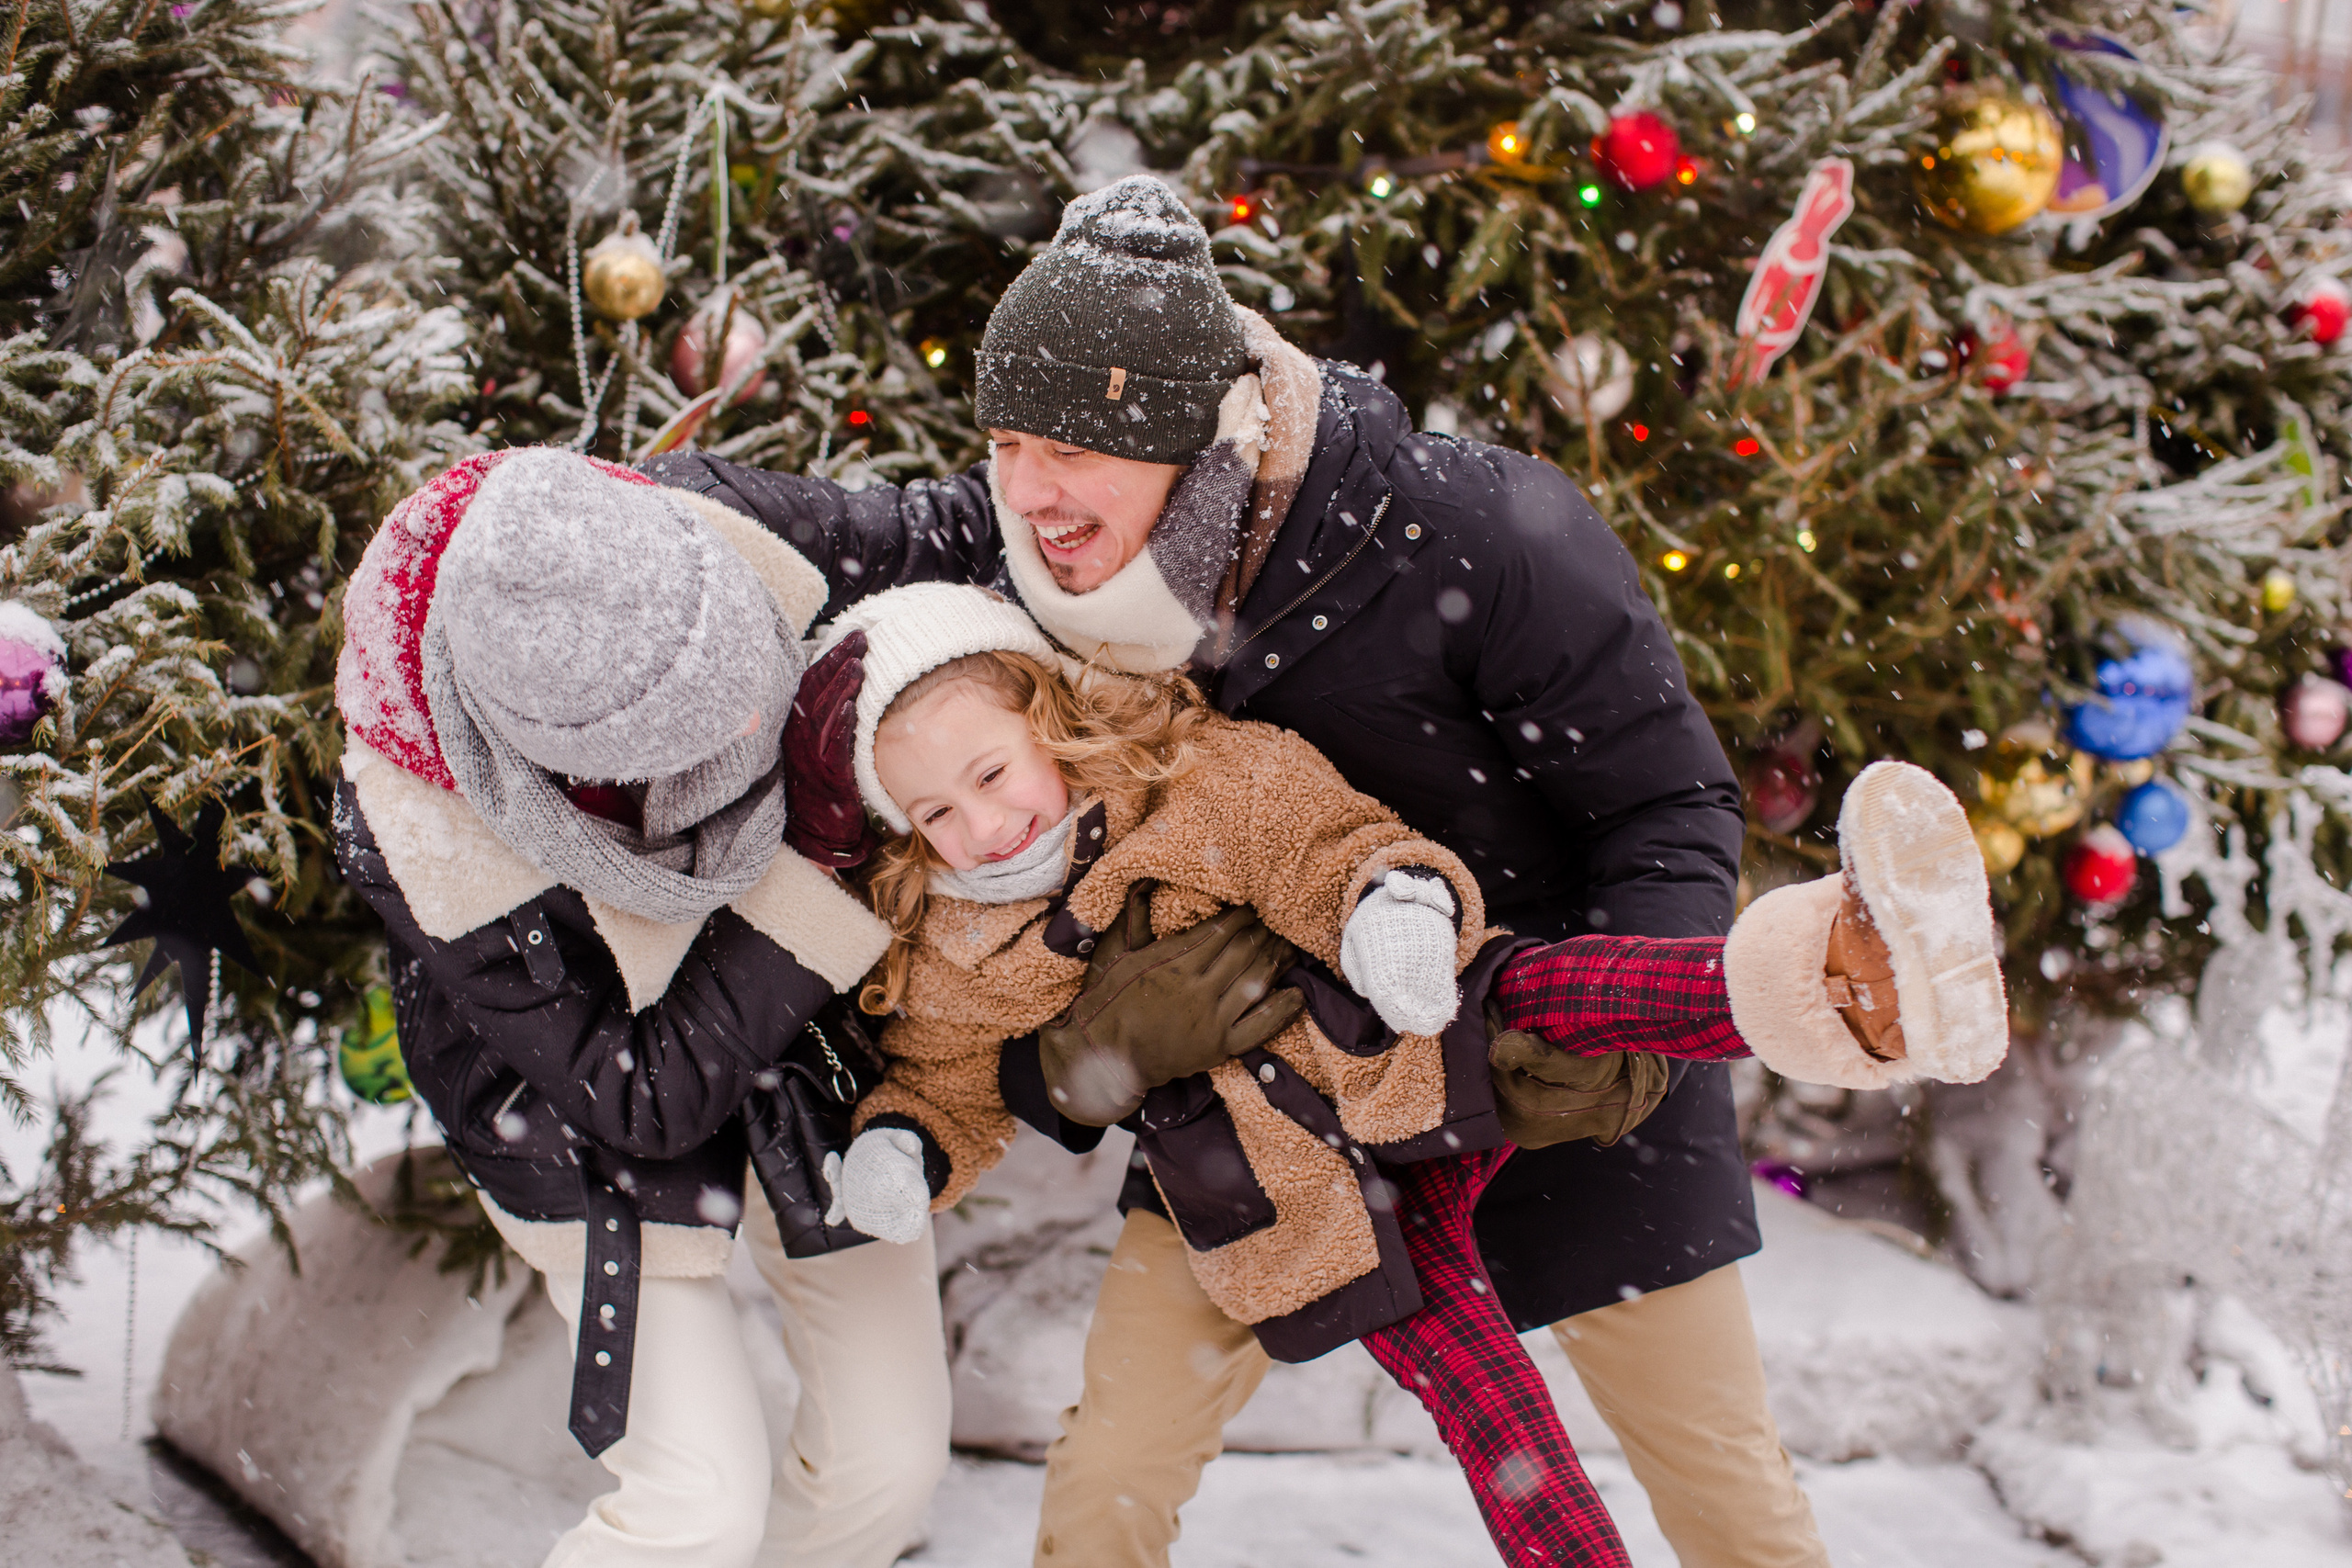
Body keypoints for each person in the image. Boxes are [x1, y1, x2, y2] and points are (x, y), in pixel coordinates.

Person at [652, 175, 2008, 1567]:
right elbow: (844, 536)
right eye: (1005, 441)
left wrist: (1627, 1061)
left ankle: (1848, 974)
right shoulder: (1041, 566)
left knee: (1723, 1488)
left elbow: (1667, 802)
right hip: (1249, 1109)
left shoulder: (1468, 531)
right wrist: (600, 512)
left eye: (1069, 445)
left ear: (1189, 434)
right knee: (1110, 1476)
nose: (1030, 488)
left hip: (1543, 1044)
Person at [811, 580, 1632, 1566]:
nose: (982, 830)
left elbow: (1322, 844)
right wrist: (905, 1148)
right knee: (1117, 1467)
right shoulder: (957, 934)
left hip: (1399, 1062)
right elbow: (944, 1077)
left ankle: (1811, 971)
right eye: (933, 811)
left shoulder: (1190, 775)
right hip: (1231, 1181)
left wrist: (1392, 907)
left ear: (1051, 714)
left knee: (1579, 1008)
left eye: (990, 774)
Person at [330, 447, 943, 1568]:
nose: (758, 729)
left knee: (887, 1466)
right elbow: (637, 1096)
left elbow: (948, 532)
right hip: (570, 1103)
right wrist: (811, 870)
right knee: (695, 1507)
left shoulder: (687, 527)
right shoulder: (420, 822)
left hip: (797, 1038)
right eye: (710, 747)